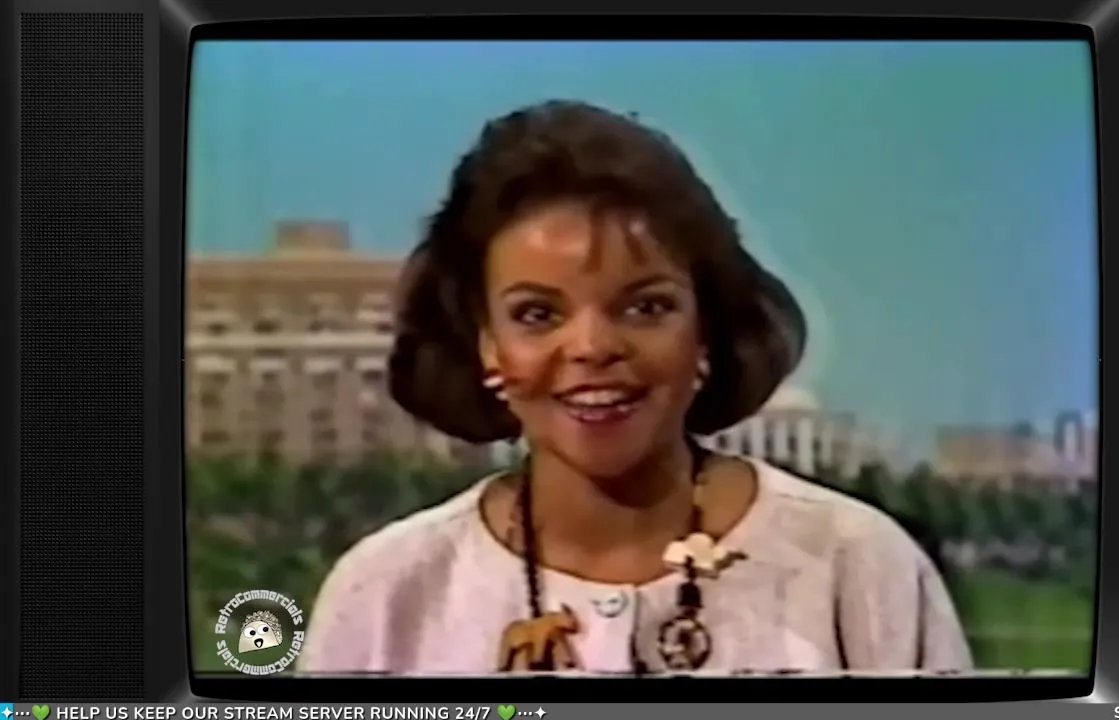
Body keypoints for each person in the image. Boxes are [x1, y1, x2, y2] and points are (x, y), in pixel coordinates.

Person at [298, 100, 972, 676]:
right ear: (486, 343)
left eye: (645, 307)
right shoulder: (388, 593)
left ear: (705, 328)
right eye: (537, 314)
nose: (592, 348)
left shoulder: (855, 565)